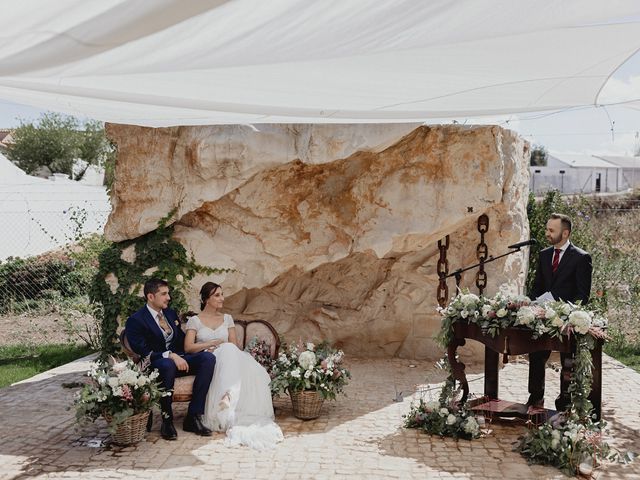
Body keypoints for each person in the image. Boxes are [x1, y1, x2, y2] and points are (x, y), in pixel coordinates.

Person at [184, 282, 283, 450]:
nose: (222, 298)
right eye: (217, 295)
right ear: (206, 299)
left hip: (228, 356)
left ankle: (229, 394)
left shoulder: (227, 318)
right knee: (224, 350)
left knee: (230, 349)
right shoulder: (195, 320)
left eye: (222, 294)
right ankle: (228, 395)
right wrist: (210, 344)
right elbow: (188, 348)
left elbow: (235, 346)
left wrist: (221, 345)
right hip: (208, 359)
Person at [125, 278, 216, 440]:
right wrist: (170, 355)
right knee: (167, 364)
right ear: (150, 297)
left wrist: (200, 347)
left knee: (207, 358)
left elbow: (180, 340)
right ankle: (167, 420)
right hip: (156, 365)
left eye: (168, 293)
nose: (168, 297)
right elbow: (143, 351)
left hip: (179, 360)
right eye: (164, 294)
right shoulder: (135, 320)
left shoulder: (169, 313)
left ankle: (193, 416)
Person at [528, 213, 592, 412]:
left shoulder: (581, 258)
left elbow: (582, 295)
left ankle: (564, 404)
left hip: (566, 322)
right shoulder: (545, 254)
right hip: (542, 318)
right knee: (536, 356)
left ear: (565, 233)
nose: (547, 233)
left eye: (551, 230)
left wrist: (564, 313)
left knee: (567, 362)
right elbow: (537, 286)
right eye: (547, 229)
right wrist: (533, 304)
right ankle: (535, 399)